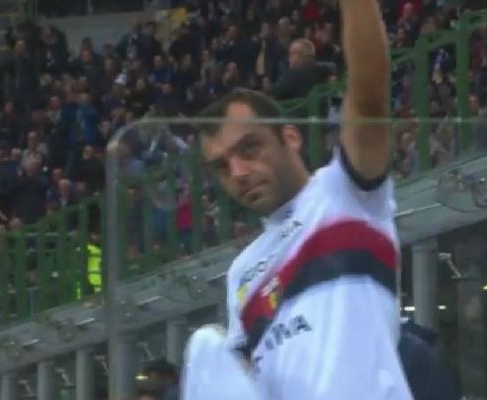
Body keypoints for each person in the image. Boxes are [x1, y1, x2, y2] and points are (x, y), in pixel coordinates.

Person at [183, 0, 413, 399]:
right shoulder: (241, 272)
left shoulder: (346, 194)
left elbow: (369, 94)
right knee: (204, 346)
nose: (238, 171)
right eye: (222, 166)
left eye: (249, 148)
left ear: (290, 137)